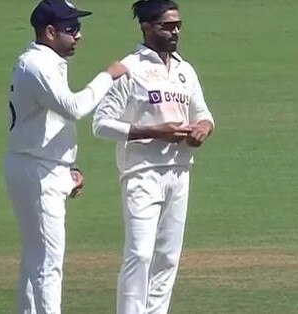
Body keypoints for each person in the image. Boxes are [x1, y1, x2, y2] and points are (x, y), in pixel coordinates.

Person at [3, 0, 129, 313]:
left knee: (35, 257)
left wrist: (65, 168)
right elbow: (73, 108)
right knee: (47, 261)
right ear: (49, 31)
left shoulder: (45, 62)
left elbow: (47, 121)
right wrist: (108, 77)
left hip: (41, 165)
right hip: (36, 169)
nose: (79, 35)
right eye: (71, 29)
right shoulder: (38, 66)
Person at [92, 1, 215, 313]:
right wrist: (155, 131)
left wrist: (201, 129)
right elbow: (101, 124)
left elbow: (204, 115)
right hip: (142, 172)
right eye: (166, 25)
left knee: (168, 257)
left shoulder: (185, 70)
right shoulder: (129, 68)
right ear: (146, 27)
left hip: (180, 170)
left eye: (177, 25)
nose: (174, 31)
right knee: (140, 253)